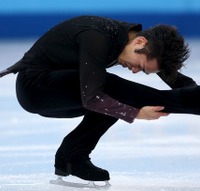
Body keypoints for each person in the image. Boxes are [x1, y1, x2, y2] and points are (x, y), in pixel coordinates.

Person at [0, 15, 200, 182]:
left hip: (56, 89)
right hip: (36, 89)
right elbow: (92, 98)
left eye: (143, 71)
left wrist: (190, 88)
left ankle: (71, 156)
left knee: (112, 93)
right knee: (110, 88)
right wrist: (136, 112)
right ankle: (190, 101)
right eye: (140, 66)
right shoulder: (97, 37)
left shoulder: (130, 41)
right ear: (140, 42)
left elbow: (174, 77)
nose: (135, 70)